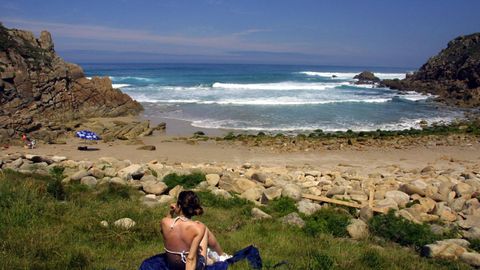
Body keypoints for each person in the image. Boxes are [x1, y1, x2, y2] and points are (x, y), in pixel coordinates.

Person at [161, 191, 227, 270]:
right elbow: (190, 259)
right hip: (189, 265)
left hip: (171, 264)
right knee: (204, 229)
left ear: (179, 206)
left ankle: (217, 255)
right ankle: (220, 256)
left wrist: (171, 212)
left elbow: (165, 226)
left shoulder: (164, 222)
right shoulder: (198, 227)